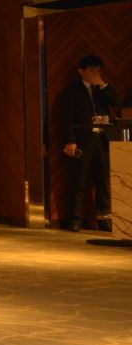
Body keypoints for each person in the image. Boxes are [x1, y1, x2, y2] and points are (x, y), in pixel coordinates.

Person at [58, 53, 120, 233]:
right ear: (81, 71)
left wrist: (102, 84)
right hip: (82, 141)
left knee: (103, 183)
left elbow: (117, 102)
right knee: (78, 181)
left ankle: (104, 220)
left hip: (103, 140)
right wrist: (70, 141)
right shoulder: (72, 91)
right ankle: (74, 220)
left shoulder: (101, 90)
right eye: (91, 70)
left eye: (98, 70)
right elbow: (66, 119)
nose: (95, 74)